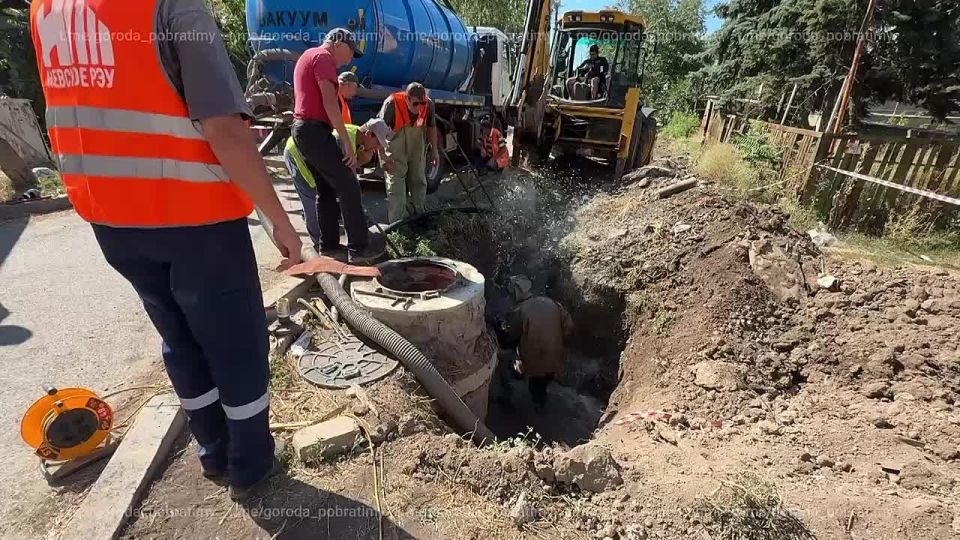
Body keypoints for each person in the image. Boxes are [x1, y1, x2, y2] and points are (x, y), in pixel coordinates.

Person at [30, 0, 302, 502]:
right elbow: (223, 128)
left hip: (109, 216)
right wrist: (279, 221)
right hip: (192, 216)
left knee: (180, 337)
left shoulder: (48, 8)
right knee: (235, 344)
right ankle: (250, 464)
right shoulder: (173, 8)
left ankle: (212, 450)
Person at [292, 27, 378, 262]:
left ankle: (329, 246)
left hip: (306, 130)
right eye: (350, 53)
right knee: (348, 184)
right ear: (338, 43)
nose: (349, 60)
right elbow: (330, 103)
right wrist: (347, 144)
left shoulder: (308, 56)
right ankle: (359, 249)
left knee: (326, 189)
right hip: (313, 131)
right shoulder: (323, 57)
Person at [284, 119, 393, 251]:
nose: (378, 148)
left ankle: (325, 244)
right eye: (377, 143)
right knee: (313, 200)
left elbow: (345, 174)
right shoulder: (342, 140)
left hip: (315, 157)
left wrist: (360, 161)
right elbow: (342, 179)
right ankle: (317, 245)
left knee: (328, 197)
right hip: (297, 153)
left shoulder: (356, 140)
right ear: (369, 134)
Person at [503, 276, 574, 410]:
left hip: (536, 360)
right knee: (546, 376)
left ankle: (539, 408)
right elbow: (568, 325)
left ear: (515, 293)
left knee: (536, 385)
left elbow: (511, 335)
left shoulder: (520, 311)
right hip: (556, 355)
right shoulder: (551, 302)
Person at [377, 82, 440, 223]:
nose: (419, 107)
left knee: (419, 179)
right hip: (395, 147)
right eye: (416, 104)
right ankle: (398, 223)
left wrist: (435, 151)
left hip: (417, 146)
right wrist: (383, 159)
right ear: (407, 98)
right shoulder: (391, 104)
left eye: (422, 103)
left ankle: (418, 215)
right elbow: (378, 133)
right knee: (396, 185)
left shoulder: (428, 105)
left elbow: (431, 127)